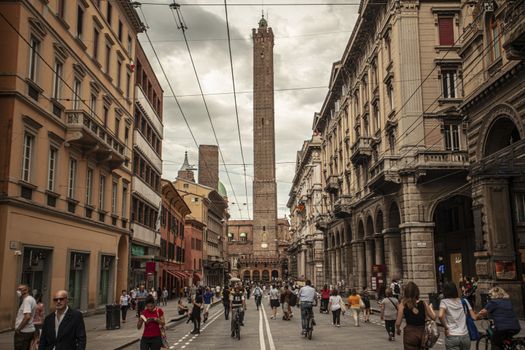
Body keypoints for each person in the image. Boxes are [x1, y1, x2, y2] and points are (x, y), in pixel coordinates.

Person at [395, 281, 436, 350]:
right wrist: (431, 308)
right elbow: (434, 317)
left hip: (410, 334)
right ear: (417, 292)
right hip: (423, 334)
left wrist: (398, 329)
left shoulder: (403, 305)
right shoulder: (423, 303)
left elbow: (398, 322)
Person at [438, 282, 477, 350]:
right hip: (465, 336)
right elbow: (474, 317)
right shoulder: (464, 301)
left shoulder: (444, 302)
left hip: (452, 335)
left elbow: (440, 316)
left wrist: (446, 328)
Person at [14, 284, 36, 350]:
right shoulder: (31, 299)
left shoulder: (27, 300)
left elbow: (27, 316)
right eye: (18, 289)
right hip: (29, 331)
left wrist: (18, 329)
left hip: (23, 333)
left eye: (19, 289)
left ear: (26, 290)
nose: (18, 291)